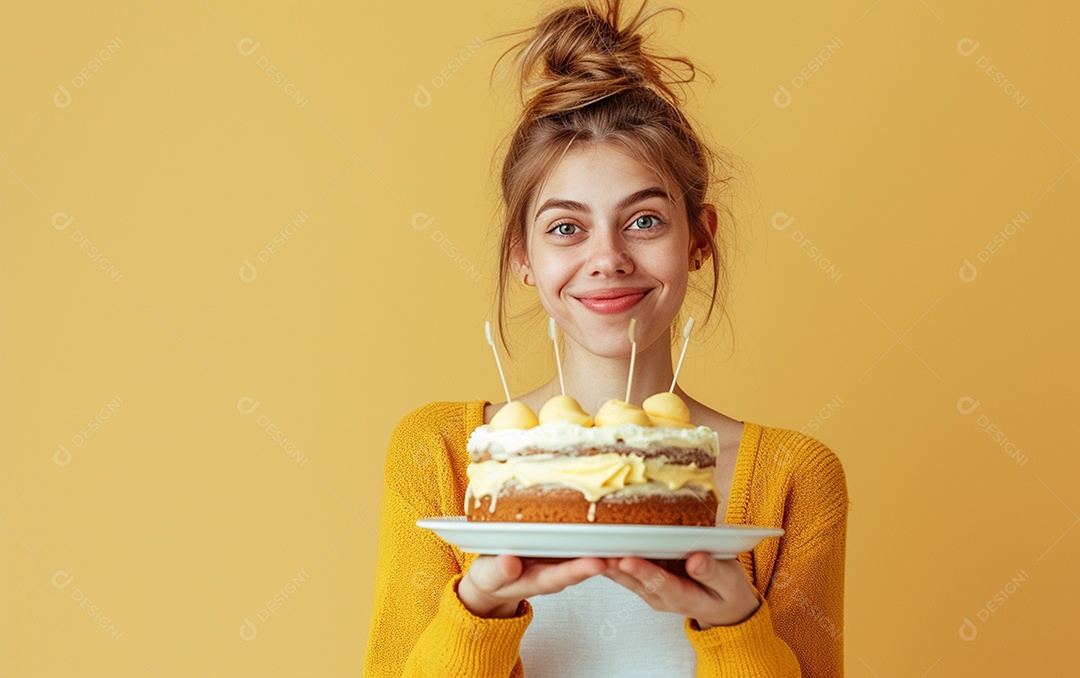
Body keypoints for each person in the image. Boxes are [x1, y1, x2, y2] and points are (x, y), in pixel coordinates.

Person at [363, 0, 848, 675]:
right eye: (566, 227)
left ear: (699, 238)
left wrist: (737, 628)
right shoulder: (439, 457)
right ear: (522, 256)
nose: (607, 258)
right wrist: (477, 610)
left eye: (644, 221)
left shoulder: (793, 479)